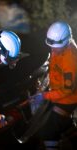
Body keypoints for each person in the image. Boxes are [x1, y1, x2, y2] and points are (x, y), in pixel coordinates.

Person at [30, 21, 77, 149]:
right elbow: (54, 69)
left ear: (66, 41)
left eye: (56, 46)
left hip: (68, 99)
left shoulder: (71, 60)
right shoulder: (58, 45)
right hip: (56, 92)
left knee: (48, 130)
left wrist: (45, 96)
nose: (53, 48)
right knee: (61, 124)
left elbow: (67, 90)